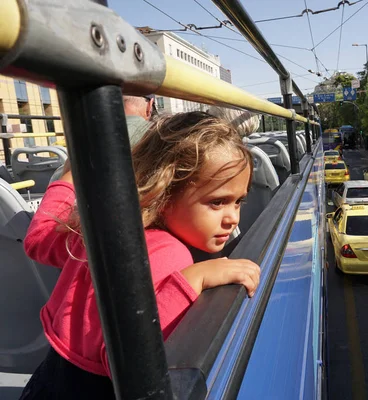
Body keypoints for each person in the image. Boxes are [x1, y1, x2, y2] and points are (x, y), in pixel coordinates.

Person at [19, 111, 261, 399]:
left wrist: (71, 174)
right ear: (164, 191)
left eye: (238, 201)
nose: (232, 218)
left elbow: (38, 240)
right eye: (217, 202)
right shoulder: (170, 254)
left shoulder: (103, 225)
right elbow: (126, 362)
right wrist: (193, 280)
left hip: (47, 379)